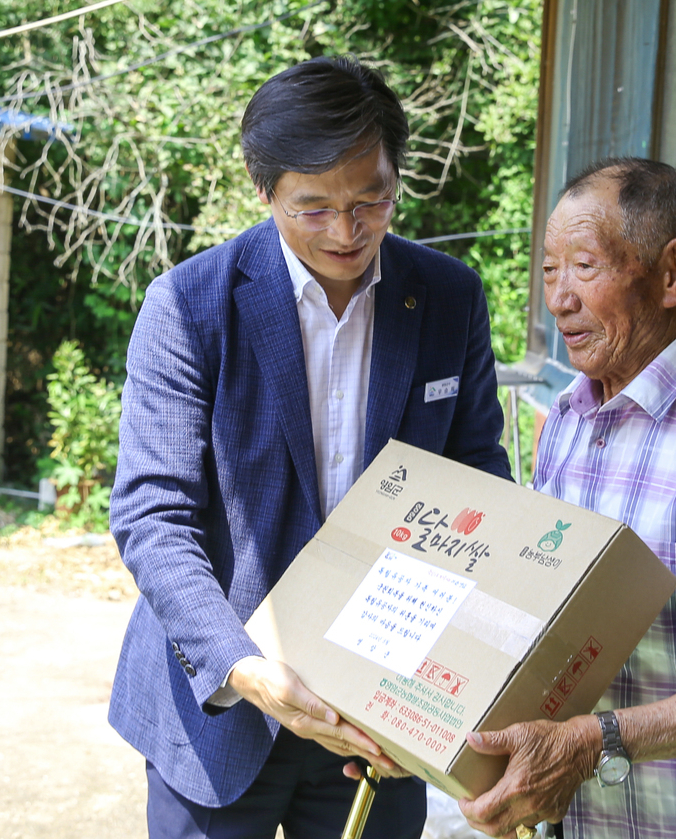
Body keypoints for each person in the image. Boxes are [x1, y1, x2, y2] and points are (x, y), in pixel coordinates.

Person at [108, 55, 511, 839]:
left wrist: (453, 686)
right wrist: (248, 669)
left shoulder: (448, 298)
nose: (348, 231)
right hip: (220, 705)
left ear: (398, 175)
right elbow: (154, 517)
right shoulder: (189, 305)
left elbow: (480, 494)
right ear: (264, 193)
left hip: (382, 712)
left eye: (372, 199)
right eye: (313, 208)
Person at [459, 157, 676, 839]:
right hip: (586, 822)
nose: (559, 297)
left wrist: (593, 742)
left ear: (671, 273)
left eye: (584, 266)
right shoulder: (571, 416)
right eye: (549, 269)